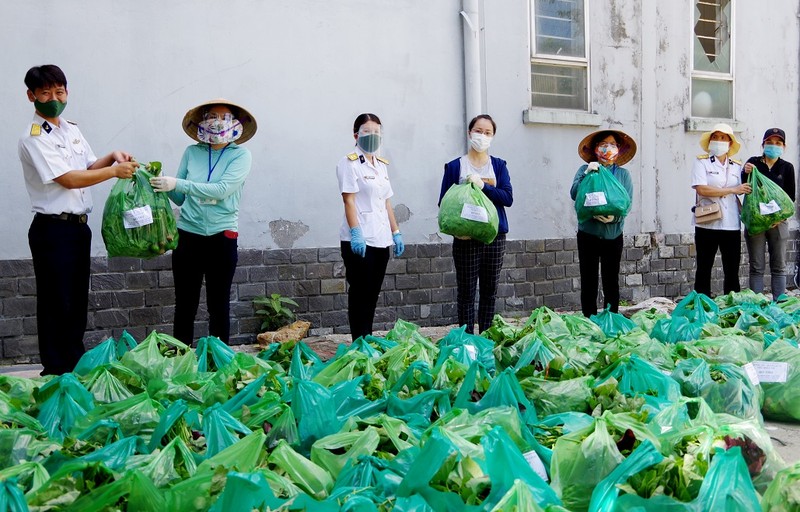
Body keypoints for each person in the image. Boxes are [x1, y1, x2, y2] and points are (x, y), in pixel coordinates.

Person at [18, 64, 138, 375]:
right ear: (31, 96)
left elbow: (87, 166)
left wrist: (111, 157)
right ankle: (56, 369)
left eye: (59, 91)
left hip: (77, 229)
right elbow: (68, 179)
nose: (53, 98)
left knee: (75, 302)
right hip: (52, 229)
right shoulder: (33, 138)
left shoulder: (71, 129)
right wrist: (112, 172)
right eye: (45, 92)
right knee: (56, 302)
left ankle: (73, 364)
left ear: (67, 92)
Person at [150, 99, 256, 345]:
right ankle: (181, 357)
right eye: (212, 116)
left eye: (225, 116)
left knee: (218, 305)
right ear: (203, 121)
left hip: (222, 236)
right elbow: (179, 198)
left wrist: (178, 183)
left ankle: (217, 363)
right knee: (185, 304)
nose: (218, 121)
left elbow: (221, 190)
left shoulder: (241, 156)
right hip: (188, 235)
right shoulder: (192, 152)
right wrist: (161, 183)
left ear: (236, 123)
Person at [438, 114, 513, 334]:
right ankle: (467, 339)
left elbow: (507, 198)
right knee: (467, 292)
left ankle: (486, 335)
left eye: (487, 133)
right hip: (465, 239)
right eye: (478, 131)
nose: (482, 136)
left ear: (493, 137)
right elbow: (444, 204)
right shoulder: (455, 167)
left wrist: (484, 186)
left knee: (490, 290)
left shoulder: (498, 166)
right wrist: (456, 232)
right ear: (469, 133)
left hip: (494, 236)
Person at [337, 113, 404, 341]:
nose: (373, 136)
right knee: (360, 294)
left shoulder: (381, 165)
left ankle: (367, 338)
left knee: (373, 293)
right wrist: (356, 233)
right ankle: (359, 342)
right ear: (356, 135)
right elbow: (349, 200)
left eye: (377, 132)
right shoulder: (349, 163)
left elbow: (386, 202)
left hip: (381, 238)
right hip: (360, 240)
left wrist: (396, 232)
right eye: (367, 131)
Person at [570, 129, 636, 317]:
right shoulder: (585, 170)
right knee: (589, 280)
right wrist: (586, 174)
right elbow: (575, 194)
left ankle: (611, 317)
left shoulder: (623, 175)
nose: (608, 148)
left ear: (618, 149)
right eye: (603, 144)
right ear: (596, 149)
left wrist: (613, 218)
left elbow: (626, 204)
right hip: (588, 234)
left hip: (613, 235)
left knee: (611, 280)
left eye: (613, 144)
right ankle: (589, 319)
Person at [691, 123, 751, 296]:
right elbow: (702, 188)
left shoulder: (736, 166)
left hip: (731, 223)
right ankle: (702, 305)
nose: (719, 141)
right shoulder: (701, 162)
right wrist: (732, 190)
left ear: (730, 143)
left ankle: (730, 305)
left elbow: (745, 188)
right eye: (715, 137)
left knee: (732, 269)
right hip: (707, 223)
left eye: (723, 138)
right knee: (704, 268)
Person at [742, 128, 795, 298]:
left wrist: (778, 219)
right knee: (756, 266)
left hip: (778, 223)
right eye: (769, 142)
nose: (773, 145)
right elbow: (745, 188)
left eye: (778, 143)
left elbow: (790, 198)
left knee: (779, 266)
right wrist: (745, 171)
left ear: (783, 146)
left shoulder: (787, 167)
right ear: (763, 144)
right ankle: (757, 305)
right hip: (756, 223)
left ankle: (779, 304)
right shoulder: (754, 163)